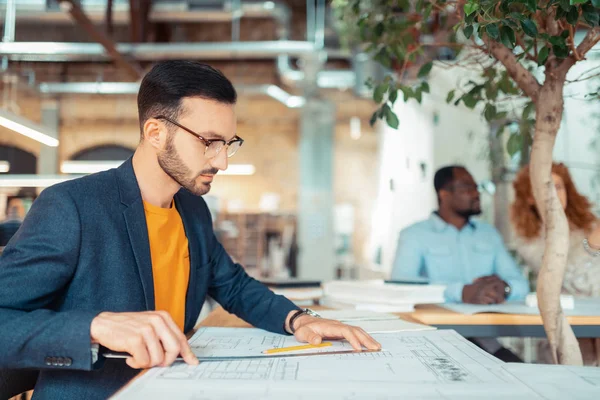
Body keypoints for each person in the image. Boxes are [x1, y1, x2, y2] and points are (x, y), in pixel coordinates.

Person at [0, 61, 380, 399]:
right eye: (209, 142)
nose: (221, 162)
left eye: (227, 144)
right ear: (155, 132)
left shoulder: (192, 209)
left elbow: (232, 285)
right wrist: (95, 326)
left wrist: (300, 319)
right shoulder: (73, 207)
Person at [391, 165, 529, 362]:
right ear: (444, 194)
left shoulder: (488, 235)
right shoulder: (414, 235)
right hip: (434, 343)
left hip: (486, 343)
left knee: (521, 377)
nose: (475, 194)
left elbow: (521, 283)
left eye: (476, 187)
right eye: (466, 188)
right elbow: (400, 288)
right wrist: (460, 292)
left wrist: (505, 288)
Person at [511, 162, 600, 365]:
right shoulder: (529, 238)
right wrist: (592, 245)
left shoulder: (589, 224)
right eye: (546, 188)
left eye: (559, 187)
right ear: (531, 198)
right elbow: (565, 274)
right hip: (568, 327)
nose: (554, 194)